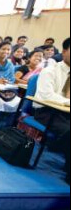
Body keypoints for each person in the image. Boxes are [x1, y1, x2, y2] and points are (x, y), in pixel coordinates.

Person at [34, 37, 70, 184]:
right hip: (46, 110)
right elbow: (46, 95)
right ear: (64, 52)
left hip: (65, 112)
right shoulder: (50, 71)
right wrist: (68, 102)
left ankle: (58, 145)